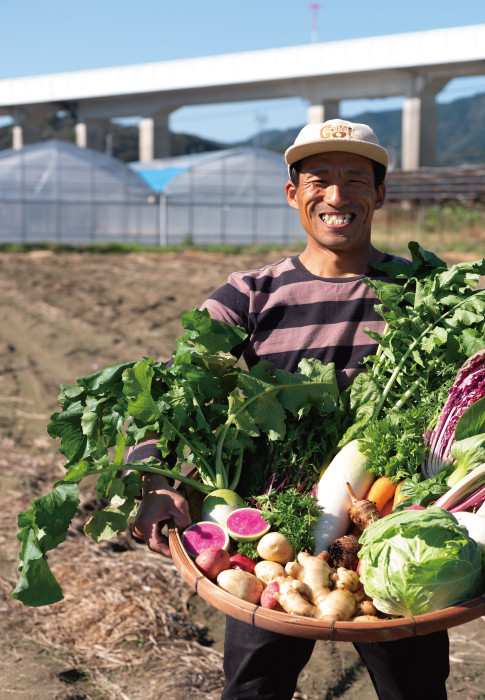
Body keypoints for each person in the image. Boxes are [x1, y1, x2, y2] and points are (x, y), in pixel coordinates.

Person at [130, 119, 451, 700]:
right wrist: (154, 477)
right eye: (318, 179)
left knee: (416, 689)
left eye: (355, 179)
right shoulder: (248, 294)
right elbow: (175, 391)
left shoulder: (426, 292)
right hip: (269, 540)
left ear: (379, 194)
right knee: (255, 687)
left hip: (394, 527)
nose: (336, 195)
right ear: (292, 193)